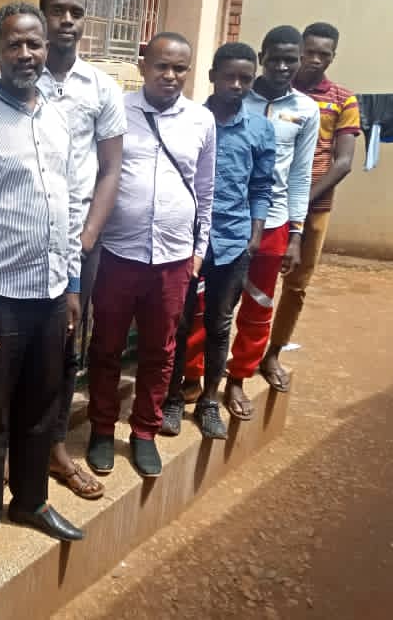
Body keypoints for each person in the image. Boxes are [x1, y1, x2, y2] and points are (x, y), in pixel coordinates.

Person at [0, 1, 85, 583]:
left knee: (43, 405)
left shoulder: (58, 119)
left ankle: (31, 500)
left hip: (52, 291)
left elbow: (71, 204)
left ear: (45, 48)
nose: (26, 54)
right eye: (14, 44)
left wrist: (73, 284)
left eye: (34, 43)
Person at [0, 0, 125, 501]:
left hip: (76, 244)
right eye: (57, 11)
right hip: (15, 246)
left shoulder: (100, 87)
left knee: (65, 347)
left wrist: (86, 239)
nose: (67, 20)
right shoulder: (12, 75)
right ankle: (5, 453)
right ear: (41, 17)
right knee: (10, 350)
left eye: (76, 12)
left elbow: (111, 168)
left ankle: (54, 446)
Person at [84, 32, 216, 478]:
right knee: (106, 346)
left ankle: (144, 431)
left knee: (160, 350)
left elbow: (205, 191)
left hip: (174, 259)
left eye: (180, 68)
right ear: (144, 67)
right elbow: (99, 174)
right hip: (118, 254)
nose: (170, 75)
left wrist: (198, 252)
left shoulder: (201, 120)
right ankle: (102, 429)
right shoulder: (117, 111)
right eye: (162, 66)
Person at [160, 43, 276, 439]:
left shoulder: (260, 129)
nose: (237, 85)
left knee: (219, 323)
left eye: (245, 78)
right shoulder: (189, 120)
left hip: (233, 241)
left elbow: (261, 186)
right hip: (186, 241)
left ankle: (209, 400)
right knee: (179, 321)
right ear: (212, 77)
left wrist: (255, 235)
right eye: (229, 77)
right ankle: (173, 397)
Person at [222, 26, 319, 420]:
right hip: (226, 218)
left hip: (275, 221)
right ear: (262, 57)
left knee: (259, 305)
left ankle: (238, 377)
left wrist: (295, 234)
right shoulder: (235, 94)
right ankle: (195, 376)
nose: (282, 66)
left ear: (299, 61)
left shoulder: (306, 110)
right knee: (208, 302)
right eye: (275, 58)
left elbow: (300, 174)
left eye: (290, 60)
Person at [258, 22, 360, 387]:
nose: (315, 60)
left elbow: (343, 162)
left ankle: (273, 354)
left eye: (324, 54)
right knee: (246, 279)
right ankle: (237, 352)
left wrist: (298, 204)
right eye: (309, 52)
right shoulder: (272, 89)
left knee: (296, 284)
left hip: (313, 206)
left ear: (333, 57)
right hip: (263, 204)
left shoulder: (343, 100)